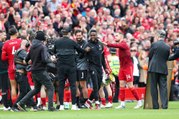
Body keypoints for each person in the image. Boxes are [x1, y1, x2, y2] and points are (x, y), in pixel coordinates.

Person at [16, 31, 56, 111]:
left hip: (34, 70)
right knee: (50, 87)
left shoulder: (32, 47)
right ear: (42, 38)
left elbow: (26, 59)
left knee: (36, 89)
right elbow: (45, 59)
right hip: (41, 70)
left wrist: (33, 60)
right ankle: (51, 107)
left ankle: (20, 103)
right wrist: (52, 60)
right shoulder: (42, 46)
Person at [54, 28, 89, 111]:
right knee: (73, 85)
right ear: (68, 34)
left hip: (61, 66)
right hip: (71, 66)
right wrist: (85, 51)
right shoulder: (72, 42)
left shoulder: (57, 42)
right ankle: (73, 105)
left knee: (61, 86)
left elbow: (54, 51)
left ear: (61, 34)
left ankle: (61, 105)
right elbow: (81, 51)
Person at [105, 32, 143, 109]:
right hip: (122, 67)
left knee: (130, 86)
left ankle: (139, 101)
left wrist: (107, 44)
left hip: (128, 67)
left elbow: (116, 45)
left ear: (121, 37)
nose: (115, 37)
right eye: (114, 36)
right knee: (121, 85)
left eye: (116, 35)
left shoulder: (124, 44)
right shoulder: (121, 46)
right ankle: (122, 104)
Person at [84, 29, 109, 110]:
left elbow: (102, 58)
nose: (92, 37)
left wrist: (105, 68)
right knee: (95, 84)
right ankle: (97, 102)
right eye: (91, 35)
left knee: (98, 86)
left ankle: (89, 101)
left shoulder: (100, 45)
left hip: (99, 67)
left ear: (96, 35)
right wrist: (85, 51)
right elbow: (82, 55)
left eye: (94, 35)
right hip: (91, 66)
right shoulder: (87, 44)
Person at [148, 30, 170, 109]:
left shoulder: (154, 44)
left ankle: (155, 106)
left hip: (153, 68)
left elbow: (150, 55)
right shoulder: (167, 46)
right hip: (163, 68)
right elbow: (167, 58)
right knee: (163, 87)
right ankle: (164, 105)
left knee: (153, 87)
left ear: (158, 36)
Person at [13, 40, 36, 111]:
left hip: (21, 73)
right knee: (23, 92)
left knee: (28, 90)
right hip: (20, 74)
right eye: (28, 45)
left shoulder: (19, 51)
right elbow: (29, 60)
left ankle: (33, 105)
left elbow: (25, 61)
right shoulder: (22, 51)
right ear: (25, 45)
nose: (28, 48)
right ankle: (15, 106)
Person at [1, 25, 22, 105]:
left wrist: (10, 57)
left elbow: (3, 58)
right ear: (16, 33)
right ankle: (20, 104)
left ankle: (14, 104)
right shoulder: (20, 41)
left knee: (13, 86)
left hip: (11, 66)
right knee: (21, 87)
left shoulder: (6, 44)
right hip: (20, 66)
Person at [75, 30, 89, 108]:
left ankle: (84, 101)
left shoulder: (85, 43)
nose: (78, 37)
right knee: (75, 85)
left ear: (82, 35)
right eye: (77, 35)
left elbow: (83, 53)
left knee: (83, 85)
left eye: (80, 35)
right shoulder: (74, 43)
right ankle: (77, 103)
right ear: (75, 36)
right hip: (75, 67)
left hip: (83, 67)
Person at [0, 30, 12, 111]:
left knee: (3, 87)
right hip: (3, 68)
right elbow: (4, 57)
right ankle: (7, 105)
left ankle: (6, 104)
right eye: (4, 35)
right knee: (5, 87)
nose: (5, 36)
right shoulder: (2, 45)